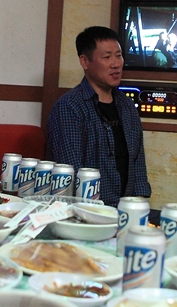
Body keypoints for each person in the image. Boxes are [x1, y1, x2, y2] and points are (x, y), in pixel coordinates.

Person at [47, 26, 151, 209]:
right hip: (85, 211)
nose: (116, 64)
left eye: (119, 56)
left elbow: (138, 167)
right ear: (85, 61)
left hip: (126, 211)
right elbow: (69, 174)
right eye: (107, 57)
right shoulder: (69, 107)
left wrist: (137, 210)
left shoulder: (127, 106)